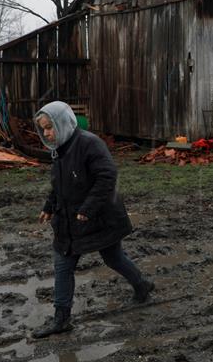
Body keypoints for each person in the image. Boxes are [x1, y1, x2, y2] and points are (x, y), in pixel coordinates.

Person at [31, 101, 153, 339]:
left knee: (113, 257)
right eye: (43, 129)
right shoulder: (60, 149)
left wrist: (88, 208)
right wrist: (49, 206)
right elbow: (59, 184)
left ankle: (142, 285)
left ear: (63, 123)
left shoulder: (89, 144)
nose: (46, 134)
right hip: (70, 220)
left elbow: (107, 177)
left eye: (49, 127)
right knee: (63, 264)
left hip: (98, 217)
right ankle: (61, 318)